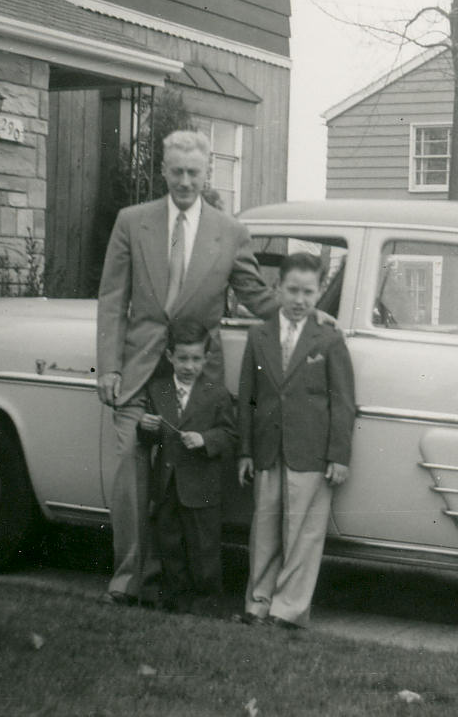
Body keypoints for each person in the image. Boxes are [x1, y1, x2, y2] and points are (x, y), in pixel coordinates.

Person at [96, 129, 277, 605]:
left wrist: (303, 312)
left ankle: (190, 587)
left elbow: (255, 294)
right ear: (163, 171)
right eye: (175, 171)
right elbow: (113, 299)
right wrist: (109, 367)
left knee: (192, 479)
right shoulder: (132, 222)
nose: (184, 181)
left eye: (193, 173)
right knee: (130, 477)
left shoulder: (230, 231)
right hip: (138, 371)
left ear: (207, 174)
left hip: (197, 376)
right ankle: (130, 580)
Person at [236, 251, 356, 630]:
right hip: (269, 449)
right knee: (265, 530)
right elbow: (247, 397)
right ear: (277, 289)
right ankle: (258, 604)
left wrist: (338, 455)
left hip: (311, 452)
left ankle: (287, 610)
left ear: (320, 292)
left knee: (303, 535)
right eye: (292, 290)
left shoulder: (329, 338)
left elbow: (343, 401)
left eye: (308, 292)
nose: (300, 300)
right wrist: (245, 451)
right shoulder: (259, 335)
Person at [137, 319, 237, 616]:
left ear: (206, 359)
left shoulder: (216, 393)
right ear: (169, 357)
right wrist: (146, 427)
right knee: (170, 544)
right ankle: (175, 600)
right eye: (182, 358)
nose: (189, 366)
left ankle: (206, 603)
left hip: (202, 486)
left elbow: (231, 436)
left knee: (204, 547)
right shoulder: (158, 390)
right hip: (167, 484)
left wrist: (205, 439)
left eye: (196, 359)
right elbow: (149, 437)